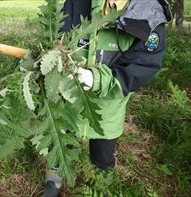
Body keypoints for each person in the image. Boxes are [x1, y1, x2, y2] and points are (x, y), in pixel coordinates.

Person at [42, 0, 172, 196]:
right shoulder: (77, 3)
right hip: (68, 100)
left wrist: (97, 79)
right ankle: (53, 185)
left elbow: (143, 66)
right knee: (59, 144)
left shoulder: (150, 16)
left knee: (102, 157)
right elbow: (57, 37)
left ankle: (99, 187)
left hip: (108, 110)